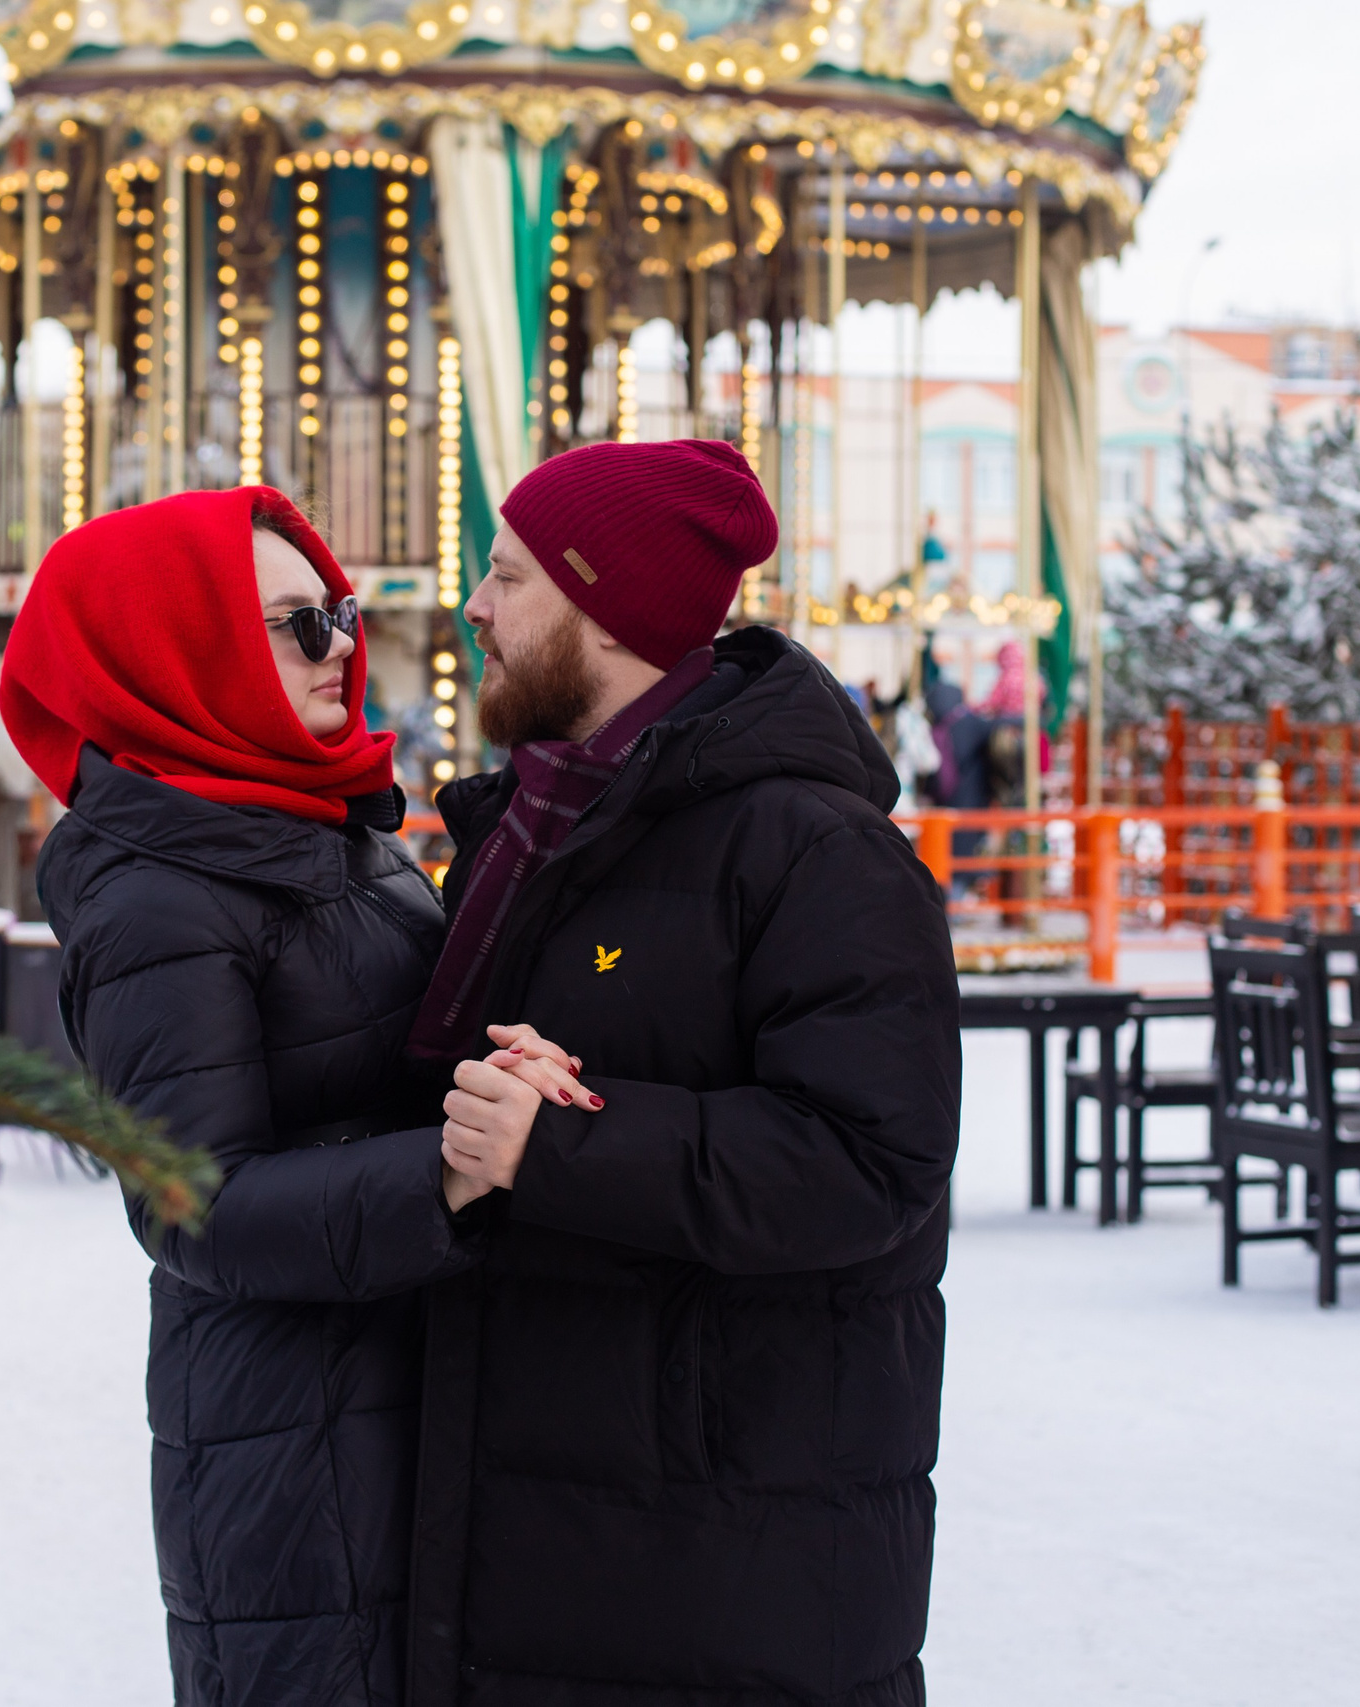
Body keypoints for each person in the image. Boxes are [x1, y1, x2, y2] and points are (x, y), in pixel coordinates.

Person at [405, 438, 962, 1706]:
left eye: (507, 577)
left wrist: (562, 1141)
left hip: (723, 1554)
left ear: (603, 604)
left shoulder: (816, 852)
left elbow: (872, 1163)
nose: (476, 609)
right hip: (556, 1517)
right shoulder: (531, 828)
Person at [0, 487, 576, 1707]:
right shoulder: (154, 889)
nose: (339, 649)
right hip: (295, 1438)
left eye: (339, 614)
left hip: (410, 1376)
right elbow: (189, 1203)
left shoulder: (323, 820)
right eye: (290, 625)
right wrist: (445, 1169)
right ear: (176, 648)